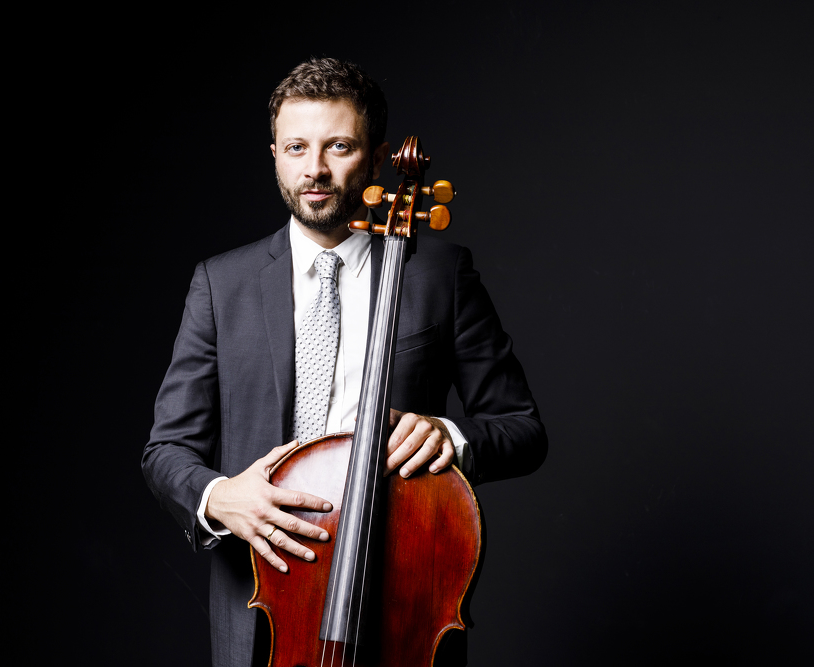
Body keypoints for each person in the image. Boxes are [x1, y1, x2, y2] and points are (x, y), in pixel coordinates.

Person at [142, 58, 547, 667]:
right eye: (296, 147)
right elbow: (166, 450)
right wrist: (220, 496)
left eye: (338, 146)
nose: (315, 169)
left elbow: (522, 430)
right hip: (261, 606)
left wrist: (450, 437)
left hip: (399, 599)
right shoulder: (221, 284)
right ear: (274, 155)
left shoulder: (439, 275)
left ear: (377, 158)